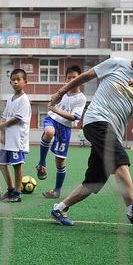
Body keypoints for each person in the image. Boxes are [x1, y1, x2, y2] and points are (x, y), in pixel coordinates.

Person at [47, 39, 133, 227]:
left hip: (114, 131)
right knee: (119, 159)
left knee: (94, 180)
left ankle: (59, 208)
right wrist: (61, 92)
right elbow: (85, 76)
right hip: (96, 120)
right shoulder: (116, 63)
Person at [38, 65, 87, 199]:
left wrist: (55, 109)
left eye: (75, 77)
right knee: (49, 132)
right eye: (69, 77)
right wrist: (53, 100)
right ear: (65, 79)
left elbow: (74, 117)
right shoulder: (62, 92)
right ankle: (41, 163)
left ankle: (57, 191)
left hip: (65, 128)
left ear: (80, 80)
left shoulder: (81, 98)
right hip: (52, 120)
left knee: (60, 161)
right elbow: (52, 102)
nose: (71, 80)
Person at [0, 69, 31, 203]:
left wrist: (3, 125)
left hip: (17, 140)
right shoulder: (10, 99)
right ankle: (10, 189)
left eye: (18, 79)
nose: (15, 81)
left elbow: (18, 118)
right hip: (7, 139)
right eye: (13, 79)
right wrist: (2, 132)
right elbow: (4, 116)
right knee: (1, 164)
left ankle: (17, 193)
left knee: (17, 165)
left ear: (25, 82)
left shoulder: (24, 100)